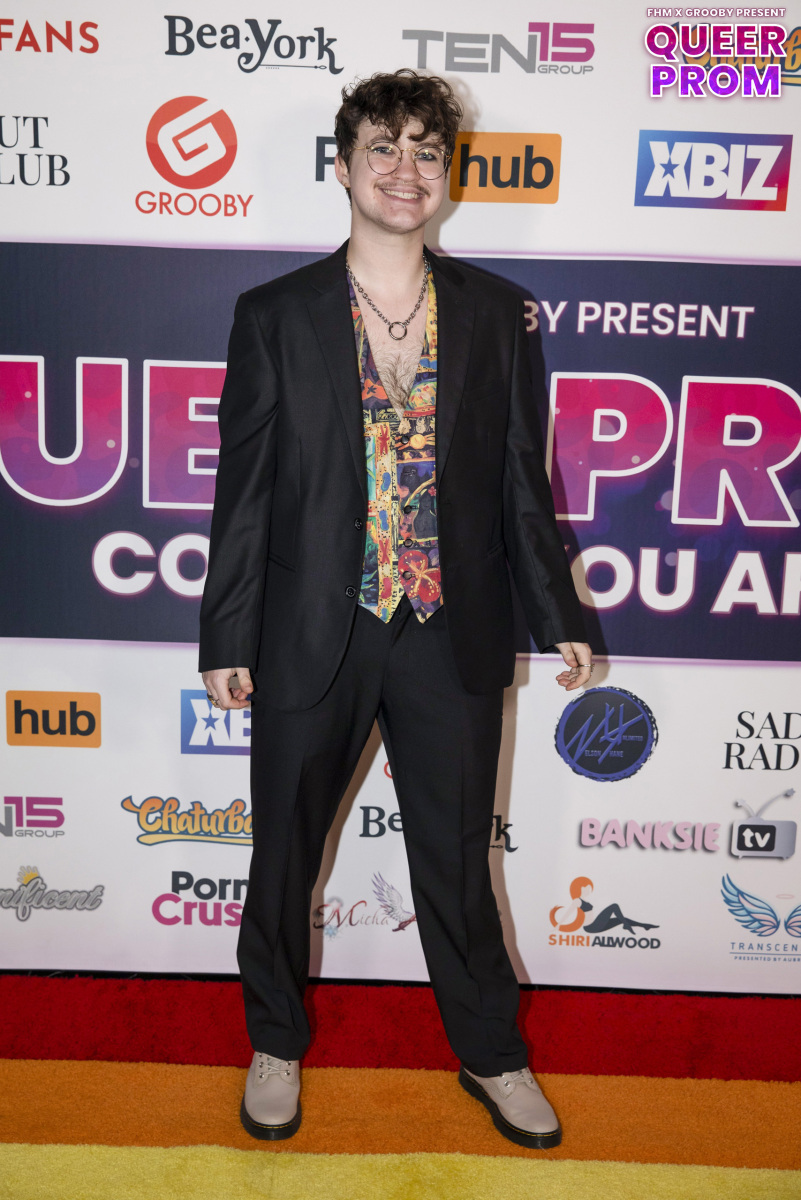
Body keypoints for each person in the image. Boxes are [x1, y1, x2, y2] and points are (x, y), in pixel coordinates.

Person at [199, 69, 592, 1151]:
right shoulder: (273, 314)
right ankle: (274, 1042)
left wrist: (559, 610)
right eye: (383, 147)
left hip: (448, 635)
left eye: (426, 150)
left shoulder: (494, 312)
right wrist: (227, 632)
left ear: (446, 176)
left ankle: (492, 1053)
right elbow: (244, 492)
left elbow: (519, 478)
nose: (405, 169)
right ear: (344, 166)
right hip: (308, 633)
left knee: (457, 864)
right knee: (283, 856)